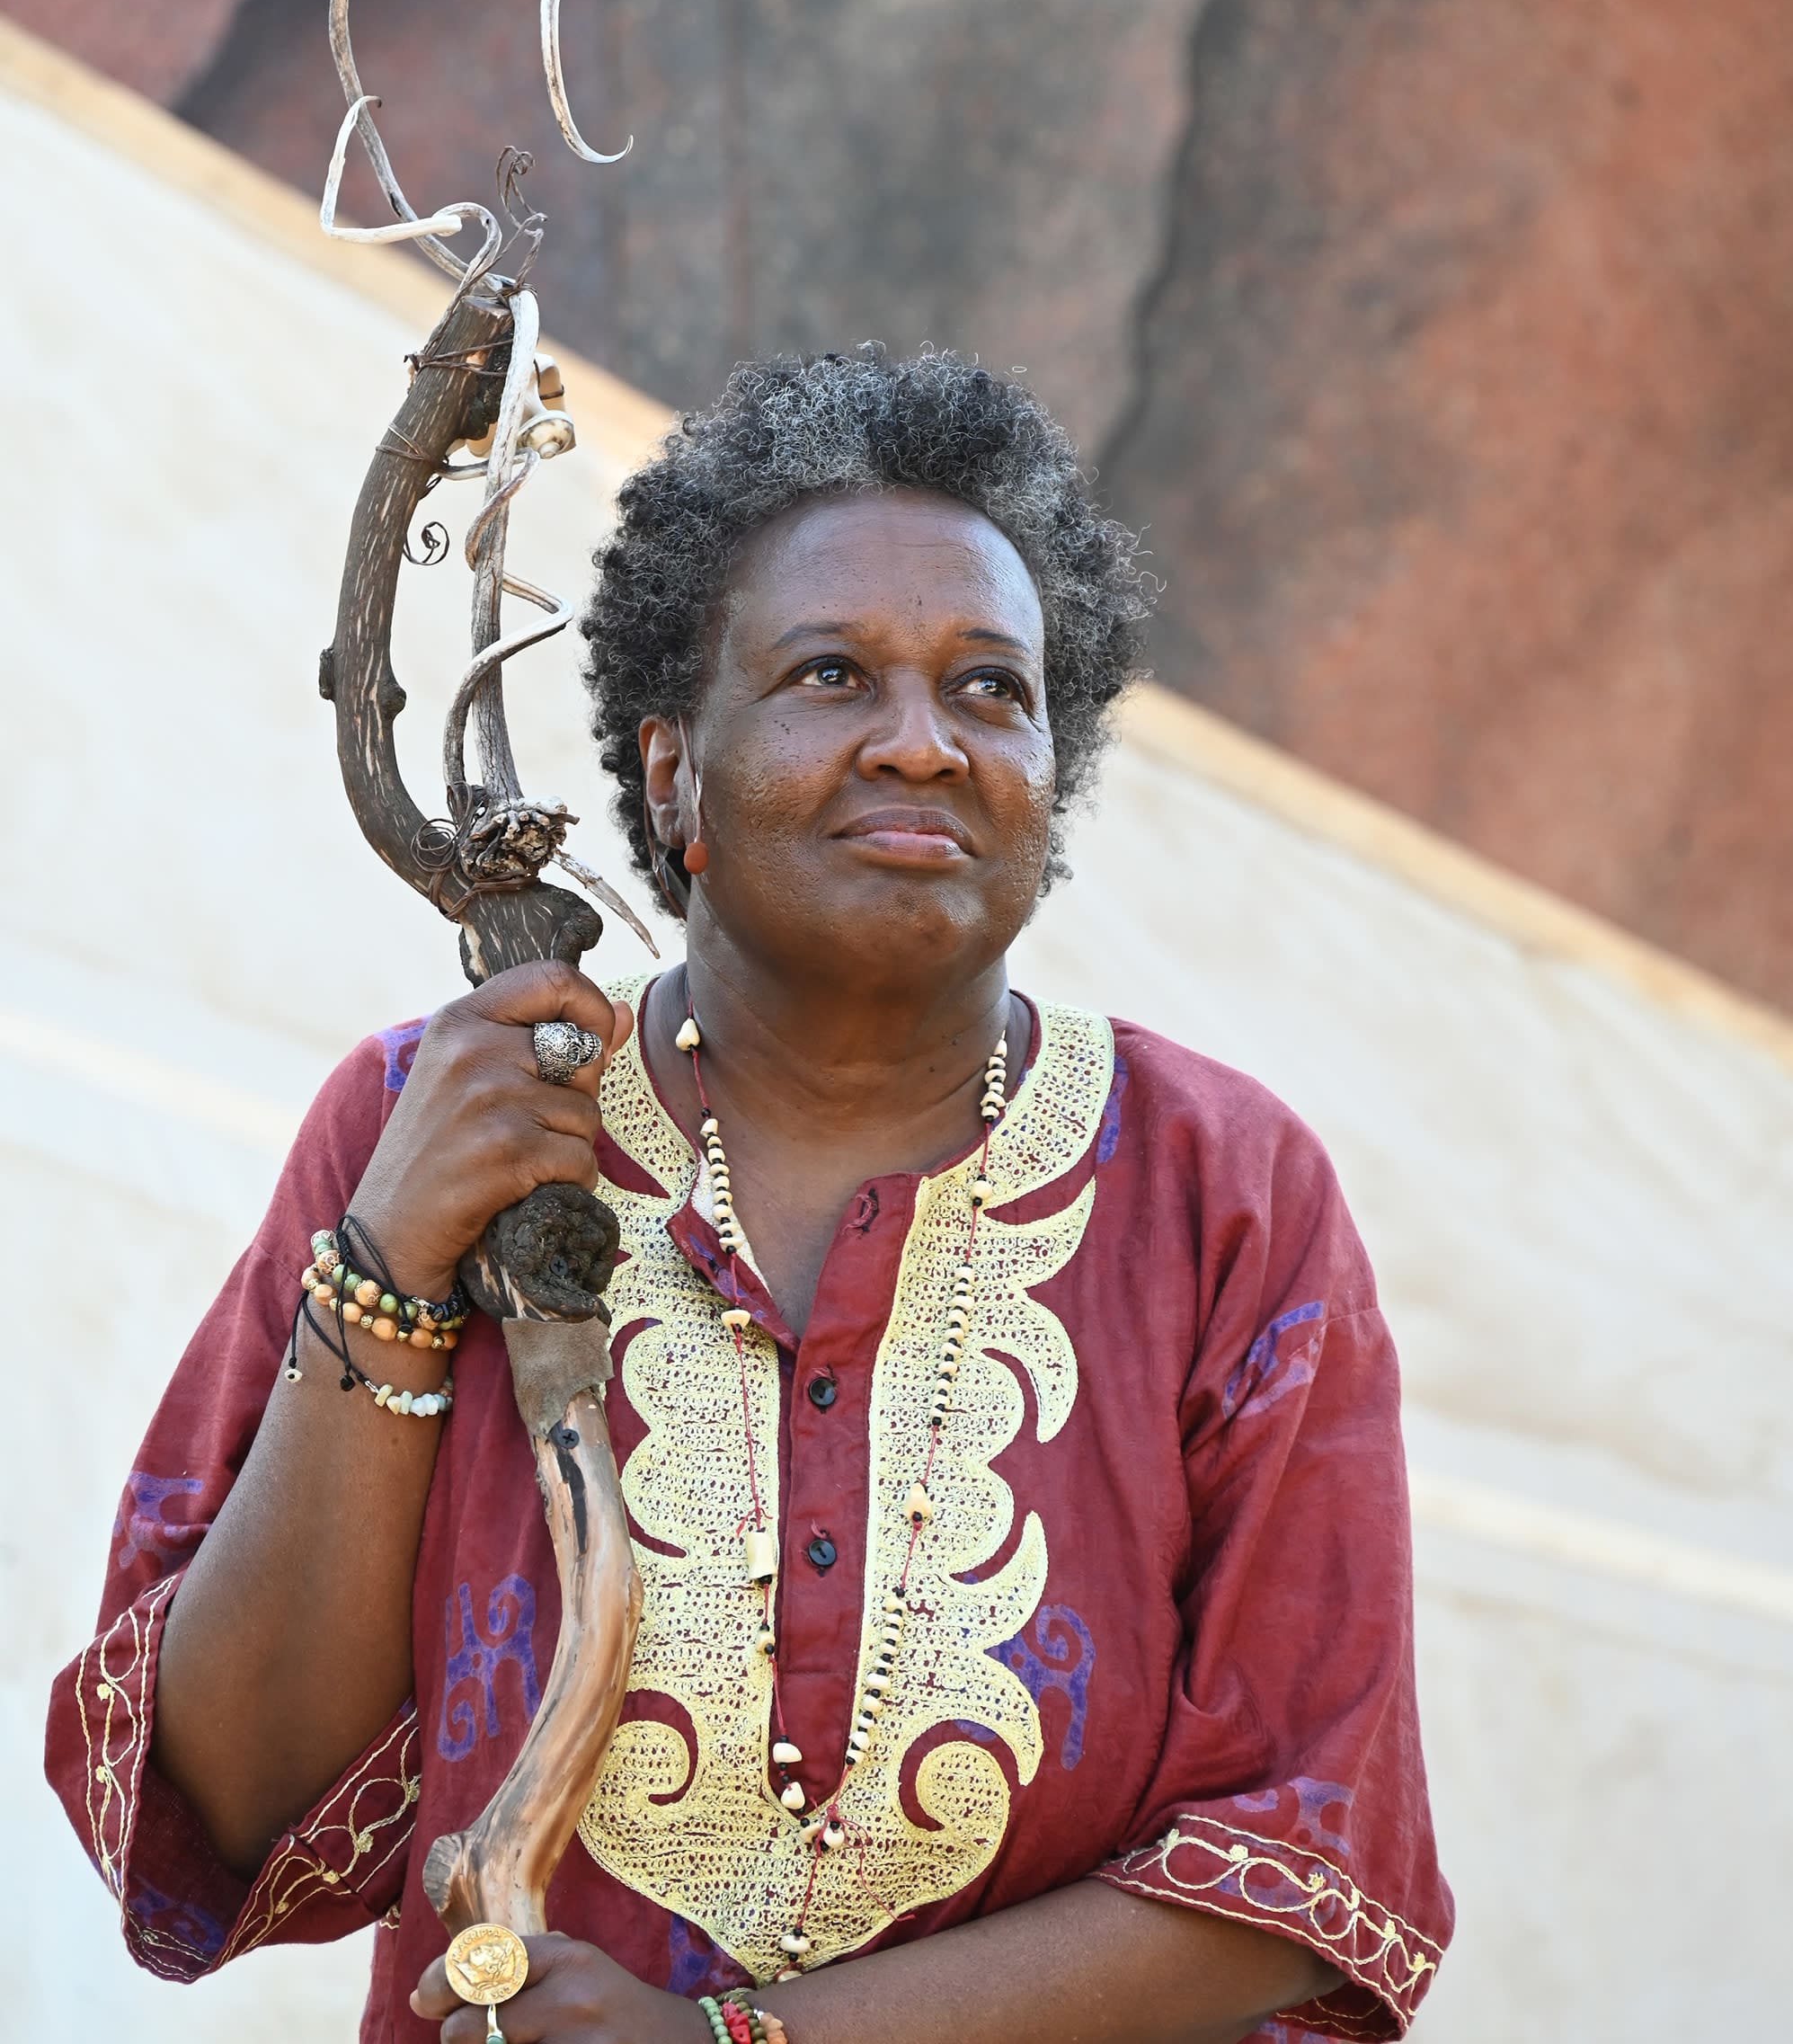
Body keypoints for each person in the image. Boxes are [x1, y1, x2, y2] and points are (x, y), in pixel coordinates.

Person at [47, 348, 1451, 2043]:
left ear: (1049, 785)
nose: (922, 743)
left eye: (992, 691)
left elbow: (1301, 1862)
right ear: (669, 776)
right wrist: (391, 1263)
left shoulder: (1225, 1194)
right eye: (833, 673)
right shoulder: (435, 1125)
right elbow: (235, 1791)